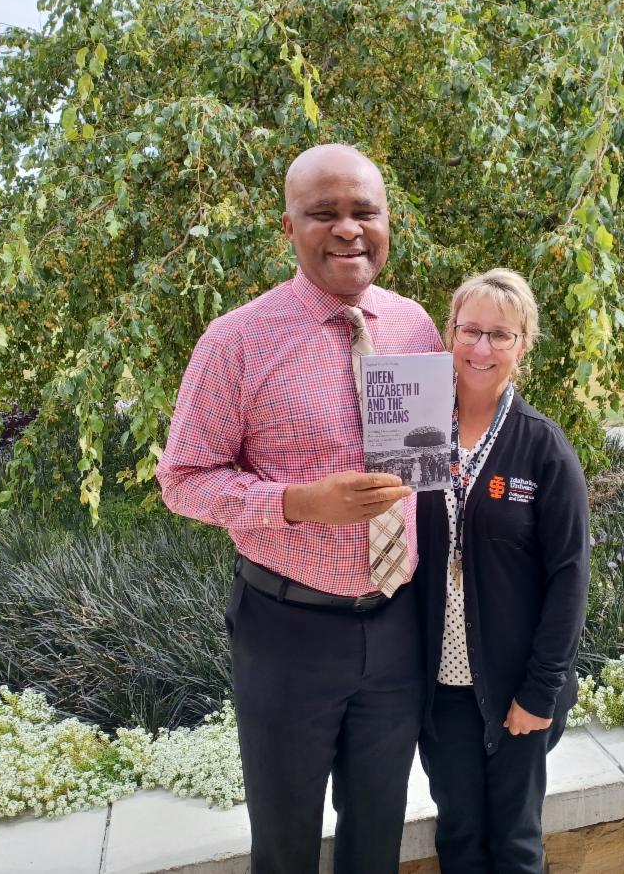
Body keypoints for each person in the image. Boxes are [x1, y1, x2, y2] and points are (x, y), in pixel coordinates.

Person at [156, 144, 443, 874]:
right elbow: (183, 479)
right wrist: (295, 503)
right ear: (288, 226)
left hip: (398, 625)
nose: (348, 229)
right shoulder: (237, 341)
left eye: (364, 212)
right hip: (287, 632)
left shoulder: (414, 326)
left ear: (388, 221)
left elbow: (432, 463)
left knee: (377, 833)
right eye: (324, 213)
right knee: (284, 844)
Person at [415, 269, 590, 873]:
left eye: (500, 335)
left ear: (523, 345)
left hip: (517, 687)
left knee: (515, 842)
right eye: (470, 331)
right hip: (441, 689)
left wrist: (539, 692)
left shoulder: (543, 447)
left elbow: (570, 578)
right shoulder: (416, 433)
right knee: (459, 835)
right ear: (450, 334)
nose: (481, 348)